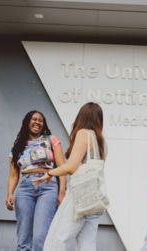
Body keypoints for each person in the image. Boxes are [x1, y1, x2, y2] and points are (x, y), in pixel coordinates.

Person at [34, 102, 106, 251]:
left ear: (82, 117)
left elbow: (71, 167)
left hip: (78, 196)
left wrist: (49, 173)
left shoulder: (84, 133)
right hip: (94, 199)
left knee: (58, 239)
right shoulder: (101, 141)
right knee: (87, 244)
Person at [6, 110, 66, 251]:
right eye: (34, 119)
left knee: (40, 237)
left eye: (40, 120)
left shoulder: (52, 140)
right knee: (23, 238)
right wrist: (9, 193)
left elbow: (62, 168)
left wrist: (61, 192)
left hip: (48, 187)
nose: (37, 122)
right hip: (25, 188)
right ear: (27, 122)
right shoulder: (17, 147)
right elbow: (14, 175)